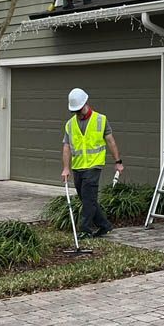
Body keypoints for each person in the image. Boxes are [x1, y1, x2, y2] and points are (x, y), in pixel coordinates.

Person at [61, 87, 124, 238]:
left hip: (94, 166)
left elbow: (110, 141)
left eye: (79, 109)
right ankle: (104, 225)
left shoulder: (101, 120)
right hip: (78, 166)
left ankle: (85, 229)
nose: (77, 113)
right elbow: (66, 147)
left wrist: (118, 161)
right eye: (74, 110)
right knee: (86, 198)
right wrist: (65, 168)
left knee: (88, 199)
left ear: (86, 103)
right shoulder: (70, 124)